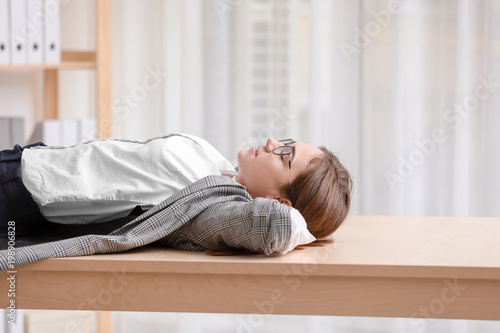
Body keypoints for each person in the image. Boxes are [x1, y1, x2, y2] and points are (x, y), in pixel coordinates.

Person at [0, 133, 352, 248]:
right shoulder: (221, 171)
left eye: (285, 155)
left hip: (16, 192)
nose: (273, 141)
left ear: (278, 199)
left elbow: (281, 225)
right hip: (28, 161)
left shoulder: (208, 204)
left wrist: (308, 230)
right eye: (287, 141)